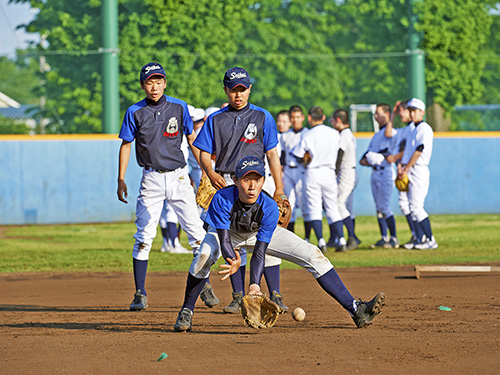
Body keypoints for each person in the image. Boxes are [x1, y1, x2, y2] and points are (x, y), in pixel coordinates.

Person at [173, 156, 385, 332]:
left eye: (257, 179)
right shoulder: (222, 198)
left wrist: (254, 285)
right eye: (246, 180)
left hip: (260, 234)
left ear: (263, 181)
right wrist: (232, 258)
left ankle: (356, 309)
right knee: (203, 255)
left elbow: (260, 252)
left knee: (312, 254)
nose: (252, 186)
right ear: (236, 180)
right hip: (229, 234)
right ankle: (186, 311)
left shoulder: (269, 207)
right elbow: (224, 238)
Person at [116, 62, 216, 311]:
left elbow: (192, 139)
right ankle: (140, 292)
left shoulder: (179, 107)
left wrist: (206, 170)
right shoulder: (134, 112)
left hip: (180, 177)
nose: (154, 86)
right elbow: (126, 145)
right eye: (150, 82)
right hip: (150, 179)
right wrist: (120, 178)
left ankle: (203, 283)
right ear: (142, 85)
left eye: (159, 81)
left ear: (165, 83)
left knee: (197, 235)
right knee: (143, 236)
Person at [193, 66, 288, 313]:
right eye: (233, 90)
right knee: (233, 240)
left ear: (249, 89)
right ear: (225, 90)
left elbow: (272, 154)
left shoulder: (262, 116)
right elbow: (203, 152)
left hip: (255, 182)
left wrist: (279, 189)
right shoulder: (215, 119)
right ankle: (237, 296)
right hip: (225, 182)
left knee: (269, 237)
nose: (238, 94)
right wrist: (210, 172)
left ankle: (275, 293)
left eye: (243, 89)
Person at [292, 106, 347, 253]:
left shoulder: (308, 134)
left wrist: (305, 158)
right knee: (332, 208)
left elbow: (297, 155)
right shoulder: (334, 133)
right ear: (323, 118)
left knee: (314, 208)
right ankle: (342, 240)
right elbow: (340, 151)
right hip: (329, 172)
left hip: (313, 172)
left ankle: (321, 242)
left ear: (309, 118)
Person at [398, 98, 438, 250]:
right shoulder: (412, 129)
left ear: (422, 112)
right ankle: (420, 238)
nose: (412, 113)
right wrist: (402, 167)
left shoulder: (424, 128)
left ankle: (430, 239)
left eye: (414, 110)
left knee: (416, 206)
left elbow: (419, 150)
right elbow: (407, 150)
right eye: (410, 110)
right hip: (410, 169)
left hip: (419, 169)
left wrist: (406, 168)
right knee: (411, 206)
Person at [359, 103, 399, 249]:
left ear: (387, 115)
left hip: (386, 171)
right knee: (378, 207)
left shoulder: (392, 133)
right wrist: (367, 160)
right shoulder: (376, 135)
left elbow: (388, 148)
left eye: (379, 113)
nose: (376, 116)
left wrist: (393, 116)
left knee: (385, 207)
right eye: (375, 113)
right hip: (375, 171)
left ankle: (394, 238)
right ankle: (384, 237)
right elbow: (364, 157)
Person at [384, 100, 419, 249]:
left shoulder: (413, 129)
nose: (399, 115)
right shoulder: (404, 130)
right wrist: (392, 114)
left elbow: (412, 149)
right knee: (405, 205)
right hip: (401, 169)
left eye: (401, 112)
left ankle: (420, 235)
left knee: (412, 205)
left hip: (409, 169)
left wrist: (397, 158)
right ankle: (416, 234)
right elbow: (388, 132)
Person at [330, 109, 361, 250]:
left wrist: (334, 172)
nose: (331, 122)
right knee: (347, 207)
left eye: (332, 120)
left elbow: (340, 153)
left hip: (346, 173)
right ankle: (351, 238)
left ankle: (352, 237)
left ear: (338, 120)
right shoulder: (347, 133)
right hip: (350, 172)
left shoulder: (344, 134)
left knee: (338, 204)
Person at [279, 105, 308, 234]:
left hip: (302, 171)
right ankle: (291, 235)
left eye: (298, 117)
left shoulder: (307, 133)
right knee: (289, 203)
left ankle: (308, 236)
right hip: (288, 171)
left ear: (302, 117)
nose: (295, 120)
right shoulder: (286, 135)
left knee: (305, 203)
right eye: (293, 117)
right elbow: (283, 155)